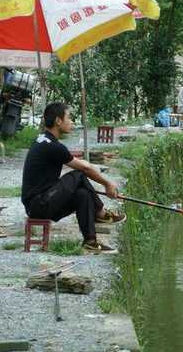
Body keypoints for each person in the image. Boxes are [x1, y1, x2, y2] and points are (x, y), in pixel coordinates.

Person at [21, 102, 125, 252]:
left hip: (44, 201)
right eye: (69, 118)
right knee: (79, 175)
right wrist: (107, 184)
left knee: (83, 194)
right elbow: (84, 167)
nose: (72, 122)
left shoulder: (45, 139)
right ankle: (101, 213)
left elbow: (80, 163)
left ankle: (90, 241)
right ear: (58, 121)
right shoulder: (52, 146)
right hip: (38, 205)